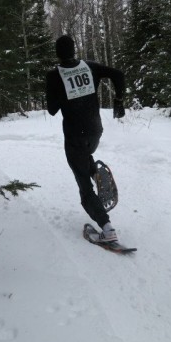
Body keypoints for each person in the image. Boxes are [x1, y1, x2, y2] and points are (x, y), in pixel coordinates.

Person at [45, 34, 125, 242]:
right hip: (95, 131)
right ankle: (94, 171)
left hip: (74, 135)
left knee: (84, 186)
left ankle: (107, 229)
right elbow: (118, 74)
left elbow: (52, 110)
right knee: (84, 156)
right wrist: (119, 100)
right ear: (74, 50)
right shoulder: (89, 66)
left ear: (57, 53)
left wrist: (58, 92)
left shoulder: (54, 75)